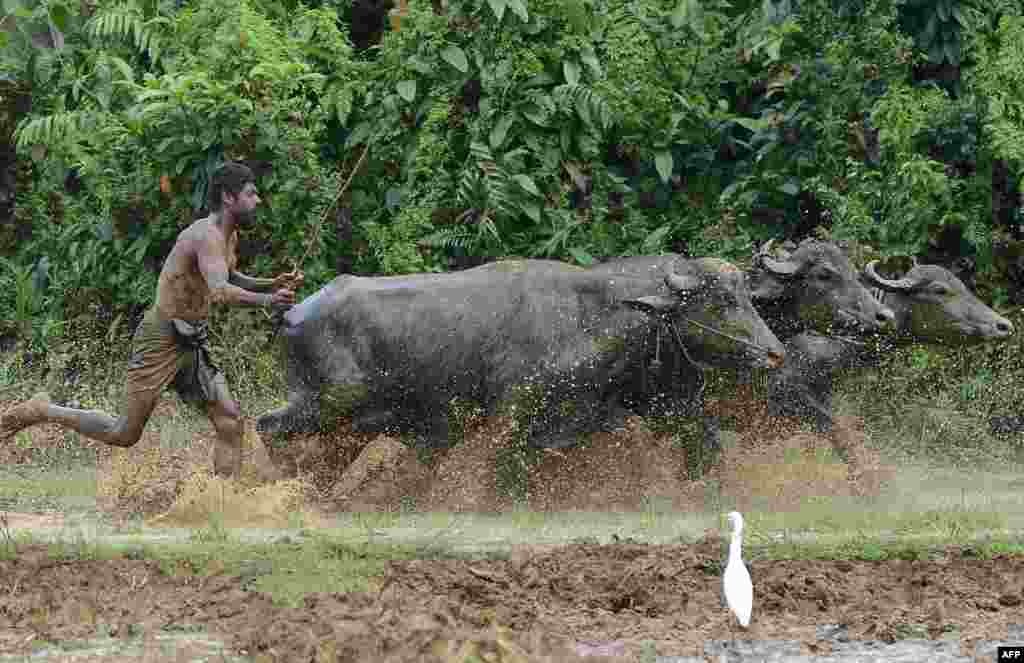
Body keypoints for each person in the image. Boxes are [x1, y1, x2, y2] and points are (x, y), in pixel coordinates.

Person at [0, 162, 303, 477]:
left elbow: (228, 275)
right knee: (124, 433)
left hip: (190, 340)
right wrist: (269, 300)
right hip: (161, 337)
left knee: (230, 421)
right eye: (251, 194)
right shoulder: (205, 235)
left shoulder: (229, 237)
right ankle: (42, 410)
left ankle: (223, 502)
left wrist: (271, 283)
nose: (258, 201)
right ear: (228, 197)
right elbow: (220, 291)